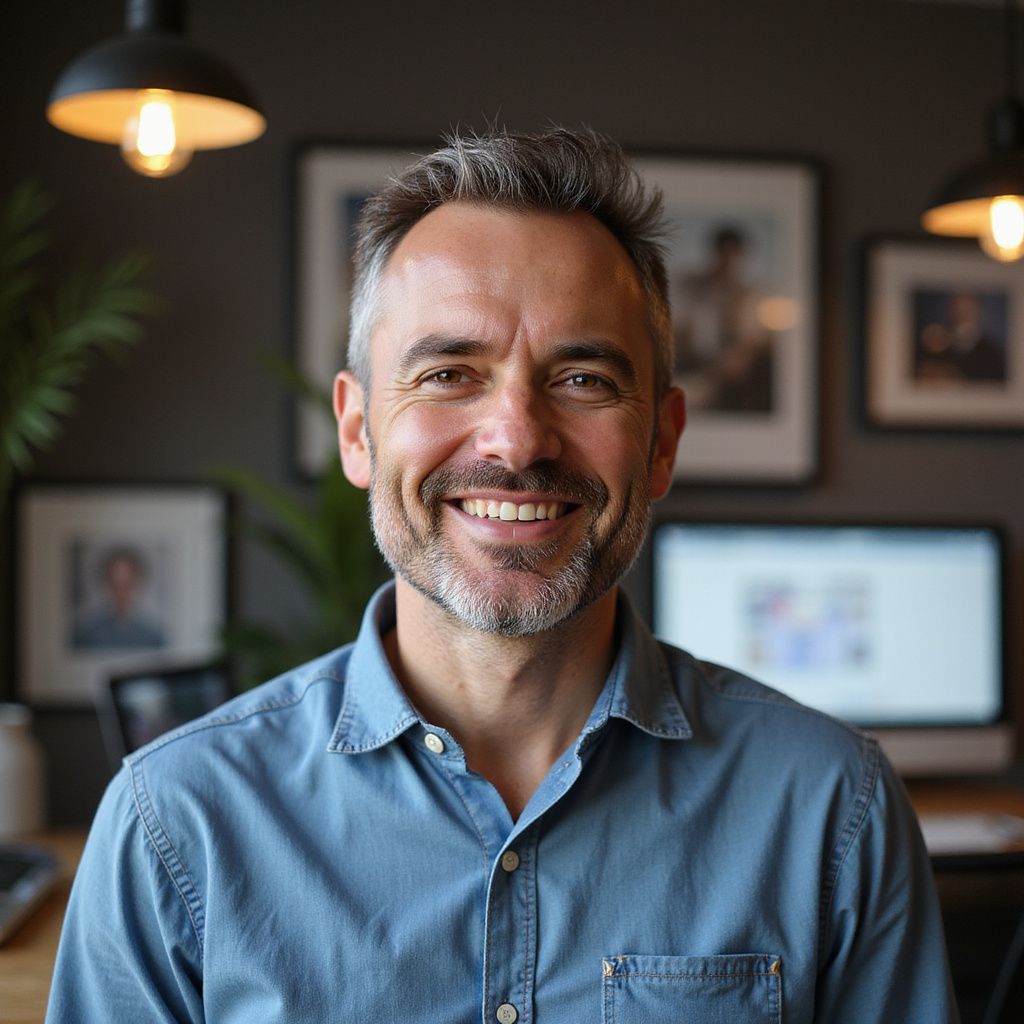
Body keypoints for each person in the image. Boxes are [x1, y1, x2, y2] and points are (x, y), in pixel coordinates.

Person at [46, 128, 958, 1023]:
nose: (517, 439)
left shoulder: (836, 809)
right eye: (449, 372)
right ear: (358, 431)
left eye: (584, 380)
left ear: (664, 440)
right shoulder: (176, 825)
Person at [673, 225, 774, 412]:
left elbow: (753, 340)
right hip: (694, 363)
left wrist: (739, 357)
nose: (727, 262)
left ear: (740, 256)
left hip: (731, 372)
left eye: (732, 255)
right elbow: (681, 328)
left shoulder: (751, 295)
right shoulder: (692, 287)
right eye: (723, 254)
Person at [70, 545, 166, 650]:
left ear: (138, 584)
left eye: (127, 584)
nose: (121, 593)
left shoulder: (153, 636)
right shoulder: (85, 634)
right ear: (105, 584)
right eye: (115, 585)